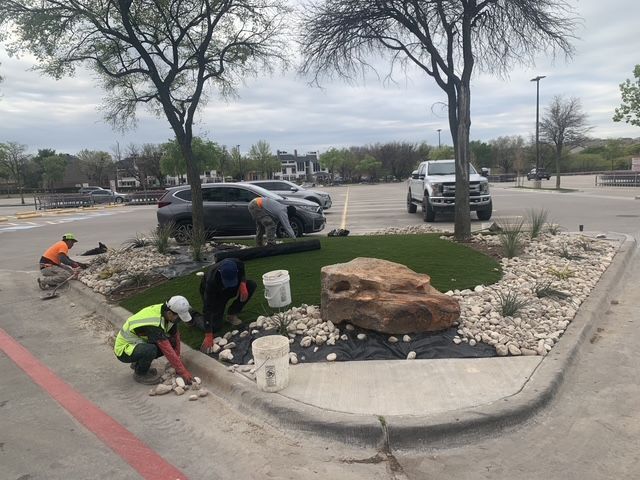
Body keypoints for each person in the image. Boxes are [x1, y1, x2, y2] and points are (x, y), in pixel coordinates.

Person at [114, 296, 196, 385]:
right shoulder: (154, 324)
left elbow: (175, 336)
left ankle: (138, 363)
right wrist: (183, 372)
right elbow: (166, 349)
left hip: (137, 343)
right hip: (124, 350)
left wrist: (177, 360)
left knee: (171, 341)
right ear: (169, 313)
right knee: (151, 349)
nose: (179, 320)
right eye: (179, 317)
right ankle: (140, 373)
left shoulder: (168, 313)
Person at [194, 258, 257, 353]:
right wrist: (208, 334)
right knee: (215, 326)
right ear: (220, 273)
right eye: (228, 280)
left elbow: (242, 270)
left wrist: (243, 283)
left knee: (251, 285)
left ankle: (232, 314)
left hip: (230, 289)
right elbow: (208, 308)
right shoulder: (211, 282)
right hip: (217, 294)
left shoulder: (237, 263)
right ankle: (193, 316)